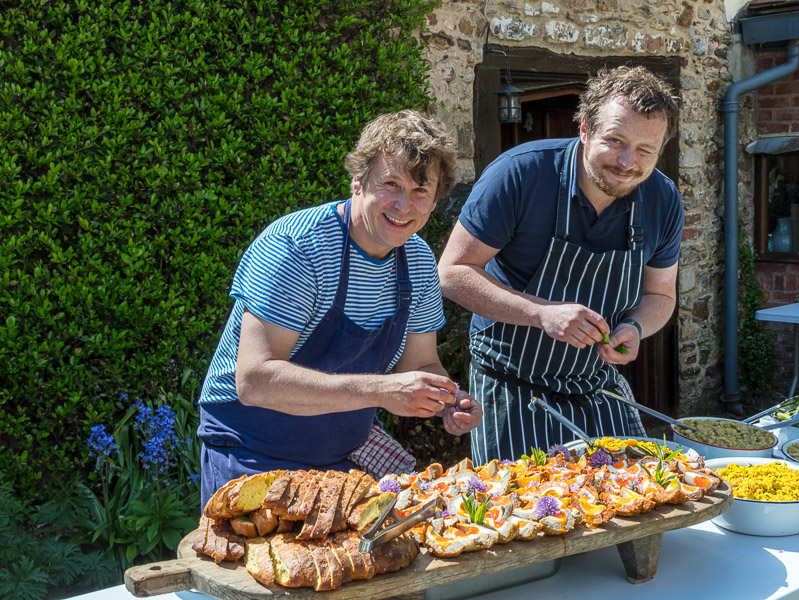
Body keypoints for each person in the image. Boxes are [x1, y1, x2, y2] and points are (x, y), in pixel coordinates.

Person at [198, 109, 483, 507]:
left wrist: (447, 399)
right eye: (390, 184)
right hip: (251, 452)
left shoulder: (417, 261)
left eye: (420, 191)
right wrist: (381, 391)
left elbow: (421, 363)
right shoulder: (298, 248)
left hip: (337, 458)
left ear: (434, 203)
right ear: (357, 182)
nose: (404, 205)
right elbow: (254, 381)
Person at [438, 66, 682, 465]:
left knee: (631, 506)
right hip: (511, 387)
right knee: (525, 516)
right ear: (585, 129)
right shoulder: (521, 174)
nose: (627, 162)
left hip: (596, 386)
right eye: (615, 140)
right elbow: (452, 273)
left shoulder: (663, 200)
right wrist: (541, 313)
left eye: (645, 151)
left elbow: (660, 295)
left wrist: (637, 328)